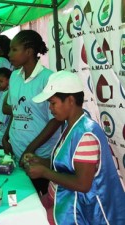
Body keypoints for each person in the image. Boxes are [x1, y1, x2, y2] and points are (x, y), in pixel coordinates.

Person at [24, 70, 125, 225]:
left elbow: (82, 184)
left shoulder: (86, 134)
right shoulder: (71, 126)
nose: (50, 109)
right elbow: (66, 166)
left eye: (53, 103)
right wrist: (41, 161)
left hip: (84, 212)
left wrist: (44, 172)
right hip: (62, 199)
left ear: (70, 100)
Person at [4, 30, 62, 195]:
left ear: (29, 52)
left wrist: (30, 149)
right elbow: (16, 110)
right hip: (17, 152)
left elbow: (55, 120)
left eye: (14, 49)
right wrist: (6, 136)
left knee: (38, 201)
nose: (9, 54)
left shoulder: (48, 78)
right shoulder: (14, 76)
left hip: (38, 156)